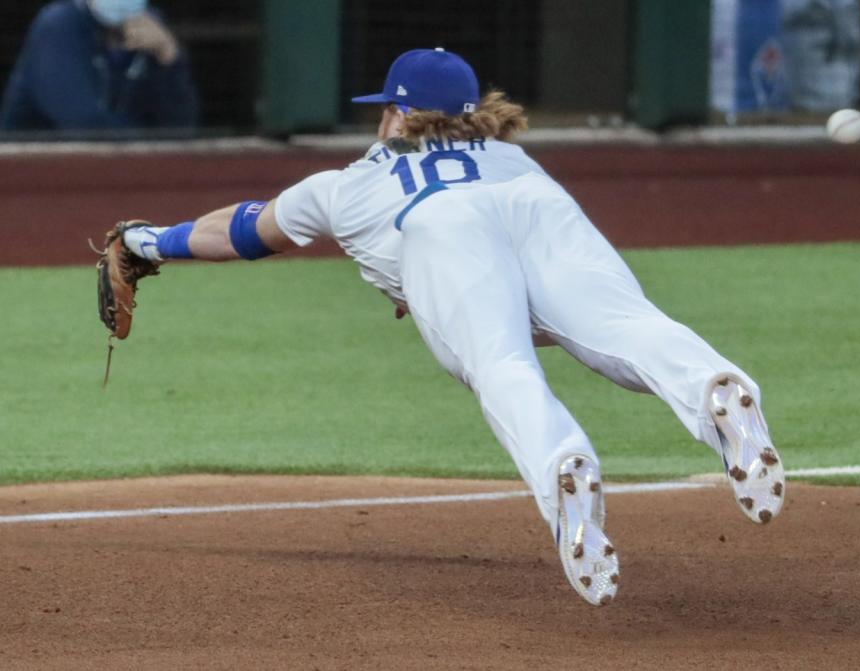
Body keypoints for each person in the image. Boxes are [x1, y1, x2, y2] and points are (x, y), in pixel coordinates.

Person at [109, 48, 785, 607]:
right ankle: (714, 389)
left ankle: (563, 470)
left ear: (399, 112)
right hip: (537, 207)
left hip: (439, 233)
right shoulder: (513, 156)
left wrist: (150, 240)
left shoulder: (344, 186)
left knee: (501, 365)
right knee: (628, 327)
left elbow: (241, 232)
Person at [1, 0, 198, 132]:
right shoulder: (58, 25)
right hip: (33, 177)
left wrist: (169, 57)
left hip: (120, 176)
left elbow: (181, 128)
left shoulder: (151, 28)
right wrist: (150, 146)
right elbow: (84, 125)